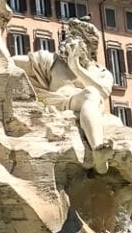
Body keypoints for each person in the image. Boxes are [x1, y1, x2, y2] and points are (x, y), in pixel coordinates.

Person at [11, 17, 114, 173]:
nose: (70, 44)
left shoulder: (102, 73)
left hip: (84, 103)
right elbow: (9, 62)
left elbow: (103, 93)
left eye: (77, 41)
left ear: (90, 47)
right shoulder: (51, 61)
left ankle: (98, 151)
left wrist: (77, 67)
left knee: (91, 93)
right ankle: (98, 152)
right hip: (57, 105)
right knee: (90, 93)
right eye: (69, 38)